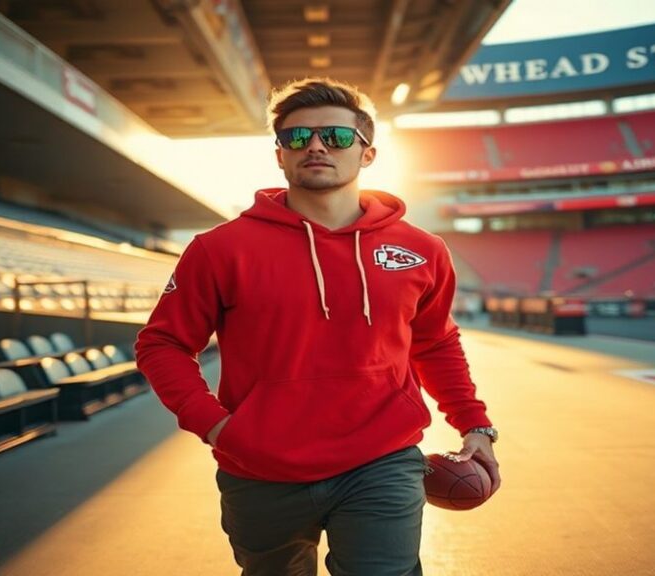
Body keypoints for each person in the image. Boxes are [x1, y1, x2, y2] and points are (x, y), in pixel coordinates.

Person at [134, 77, 500, 576]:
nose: (317, 146)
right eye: (297, 137)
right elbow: (163, 344)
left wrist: (474, 423)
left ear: (367, 154)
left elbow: (435, 342)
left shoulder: (422, 249)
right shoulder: (219, 249)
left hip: (383, 459)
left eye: (337, 136)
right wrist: (217, 426)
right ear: (279, 155)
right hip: (259, 467)